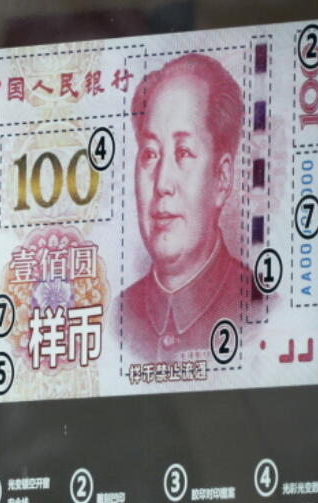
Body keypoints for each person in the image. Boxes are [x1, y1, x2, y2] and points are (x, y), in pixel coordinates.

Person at [118, 52, 258, 362]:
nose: (162, 184)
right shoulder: (114, 320)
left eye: (183, 153)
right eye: (150, 154)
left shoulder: (260, 310)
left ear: (221, 179)